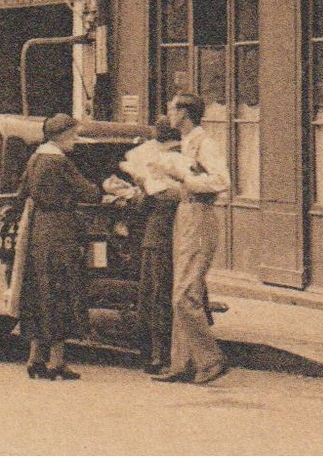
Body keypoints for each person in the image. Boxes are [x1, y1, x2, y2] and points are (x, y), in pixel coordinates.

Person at [16, 113, 101, 381]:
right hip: (60, 231)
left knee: (40, 293)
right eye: (74, 135)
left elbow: (22, 193)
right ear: (62, 135)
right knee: (62, 293)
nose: (76, 141)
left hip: (38, 230)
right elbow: (87, 192)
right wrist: (104, 188)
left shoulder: (36, 159)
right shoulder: (58, 161)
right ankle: (57, 361)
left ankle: (35, 358)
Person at [153, 93, 230, 385]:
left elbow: (222, 181)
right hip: (185, 213)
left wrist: (185, 179)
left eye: (171, 108)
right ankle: (181, 363)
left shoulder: (205, 143)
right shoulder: (186, 143)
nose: (168, 113)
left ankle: (210, 360)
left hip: (199, 215)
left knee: (185, 293)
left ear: (184, 113)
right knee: (183, 290)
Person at [114, 124, 183, 373]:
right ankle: (170, 353)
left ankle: (158, 355)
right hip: (179, 241)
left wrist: (138, 187)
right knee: (171, 296)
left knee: (156, 297)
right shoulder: (184, 165)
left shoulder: (162, 176)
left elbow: (143, 205)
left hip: (158, 242)